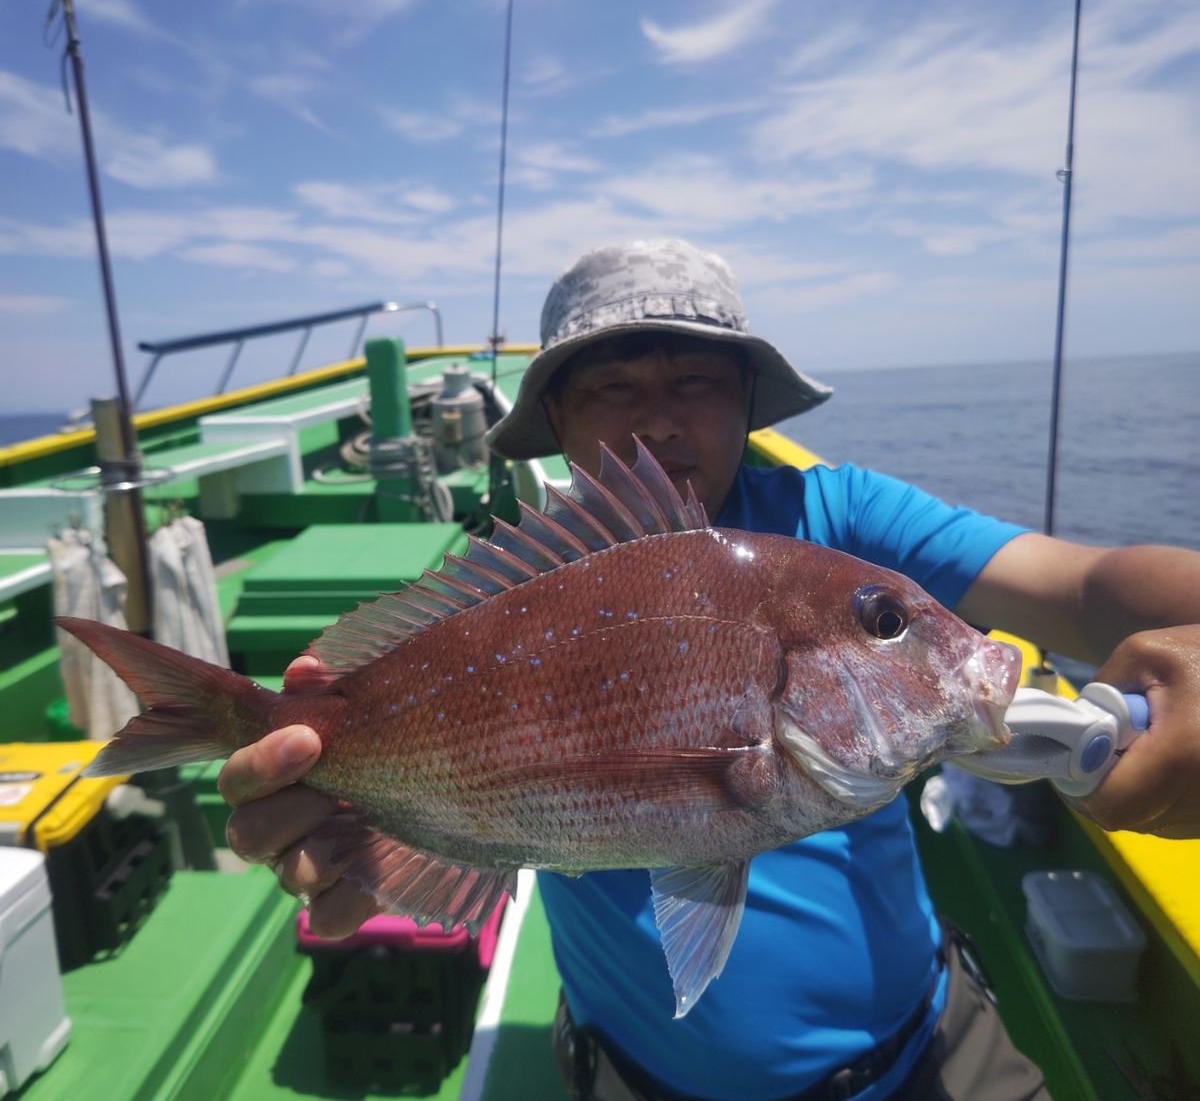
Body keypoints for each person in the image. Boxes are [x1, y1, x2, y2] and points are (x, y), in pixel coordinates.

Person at [219, 238, 1200, 1101]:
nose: (661, 421)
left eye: (697, 380)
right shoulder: (492, 608)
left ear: (744, 400)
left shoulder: (842, 525)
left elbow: (1097, 582)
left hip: (927, 1054)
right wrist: (359, 840)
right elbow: (428, 800)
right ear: (557, 419)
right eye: (614, 388)